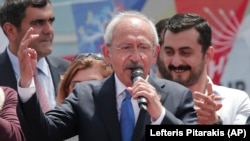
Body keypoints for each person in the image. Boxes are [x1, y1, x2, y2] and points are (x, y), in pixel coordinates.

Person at [16, 10, 197, 141]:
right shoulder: (86, 95)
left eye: (143, 47)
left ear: (155, 52)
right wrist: (26, 84)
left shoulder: (178, 97)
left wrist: (160, 116)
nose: (135, 57)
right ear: (107, 52)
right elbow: (42, 134)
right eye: (126, 47)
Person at [156, 13, 250, 124]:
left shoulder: (236, 101)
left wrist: (214, 125)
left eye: (185, 53)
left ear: (208, 55)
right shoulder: (149, 102)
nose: (176, 62)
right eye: (169, 52)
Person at [0, 0, 69, 106]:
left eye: (50, 21)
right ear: (11, 30)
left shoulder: (69, 71)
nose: (49, 30)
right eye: (38, 23)